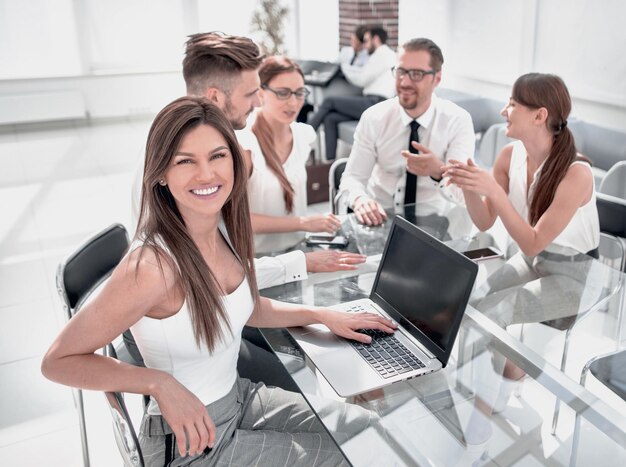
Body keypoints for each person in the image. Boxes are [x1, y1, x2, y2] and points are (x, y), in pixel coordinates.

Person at [42, 97, 396, 466]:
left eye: (217, 156)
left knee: (369, 432)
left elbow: (240, 305)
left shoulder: (221, 226)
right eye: (185, 161)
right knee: (346, 458)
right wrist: (156, 383)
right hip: (190, 442)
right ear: (160, 172)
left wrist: (322, 315)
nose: (207, 174)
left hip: (238, 399)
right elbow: (58, 361)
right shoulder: (152, 266)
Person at [443, 73, 600, 412]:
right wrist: (470, 185)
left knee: (496, 312)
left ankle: (483, 407)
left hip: (575, 277)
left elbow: (532, 242)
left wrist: (494, 191)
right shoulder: (508, 155)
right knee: (473, 303)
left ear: (539, 115)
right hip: (534, 262)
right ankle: (494, 380)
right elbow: (485, 221)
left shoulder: (577, 173)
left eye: (512, 104)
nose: (504, 111)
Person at [339, 37, 475, 226]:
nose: (404, 82)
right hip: (379, 220)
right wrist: (360, 200)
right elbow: (352, 178)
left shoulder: (457, 120)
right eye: (401, 72)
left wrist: (438, 171)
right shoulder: (374, 117)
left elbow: (463, 198)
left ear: (437, 78)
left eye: (416, 74)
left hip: (435, 224)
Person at [238, 56, 343, 254]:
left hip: (298, 251)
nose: (293, 102)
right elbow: (237, 219)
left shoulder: (304, 135)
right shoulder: (244, 144)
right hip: (256, 260)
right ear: (261, 93)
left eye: (299, 93)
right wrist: (302, 223)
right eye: (283, 93)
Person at [308, 26, 396, 160]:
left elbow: (362, 79)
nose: (365, 46)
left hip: (376, 103)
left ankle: (304, 135)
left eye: (366, 41)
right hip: (370, 101)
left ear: (376, 39)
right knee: (330, 118)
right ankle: (330, 164)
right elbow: (362, 74)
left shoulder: (384, 55)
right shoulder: (378, 56)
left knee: (329, 101)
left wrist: (342, 68)